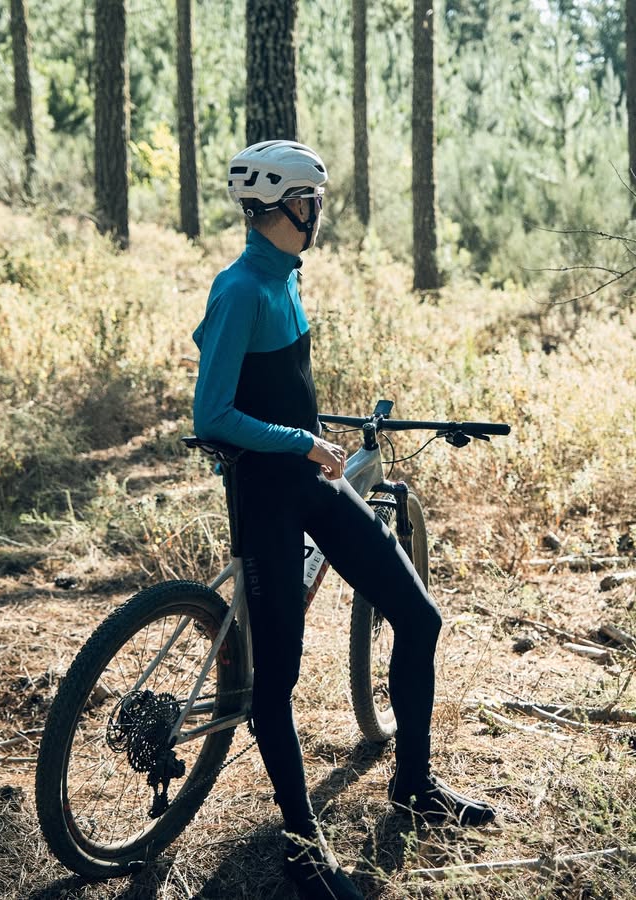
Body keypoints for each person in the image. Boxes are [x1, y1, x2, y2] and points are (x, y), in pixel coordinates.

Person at [192, 140, 495, 900]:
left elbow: (279, 389)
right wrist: (302, 441)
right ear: (276, 207)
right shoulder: (240, 290)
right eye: (310, 201)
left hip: (310, 483)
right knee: (278, 681)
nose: (317, 213)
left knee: (418, 619)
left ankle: (414, 785)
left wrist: (313, 431)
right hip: (265, 495)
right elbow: (213, 413)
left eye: (317, 201)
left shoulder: (285, 279)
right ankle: (301, 850)